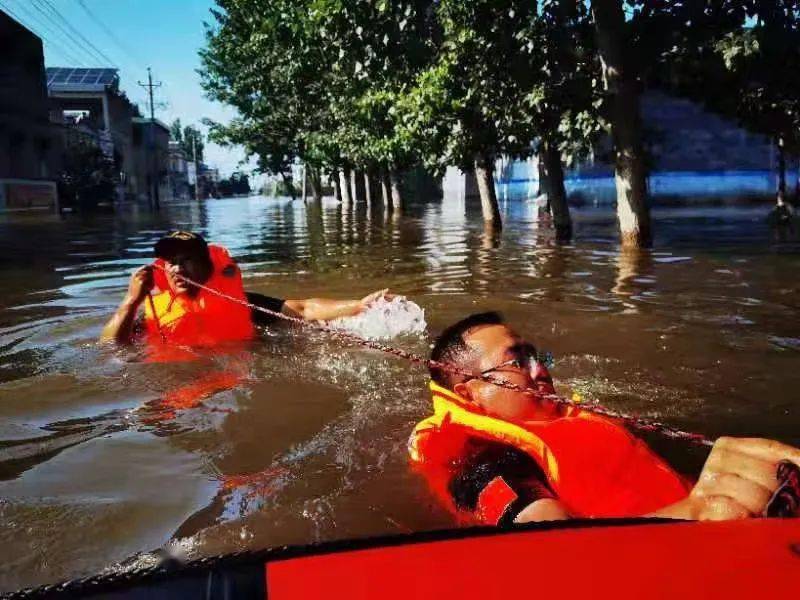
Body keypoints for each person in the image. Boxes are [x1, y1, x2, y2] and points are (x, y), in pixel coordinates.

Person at [409, 312, 800, 525]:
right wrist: (697, 512)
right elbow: (546, 552)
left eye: (538, 357)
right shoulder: (483, 459)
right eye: (516, 361)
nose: (539, 369)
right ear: (469, 392)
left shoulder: (575, 417)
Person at [100, 231, 390, 346]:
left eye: (187, 260)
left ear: (208, 265)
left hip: (233, 382)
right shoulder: (151, 313)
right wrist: (130, 301)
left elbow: (303, 308)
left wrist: (359, 305)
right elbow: (108, 347)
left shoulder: (241, 303)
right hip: (179, 397)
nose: (178, 269)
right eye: (172, 262)